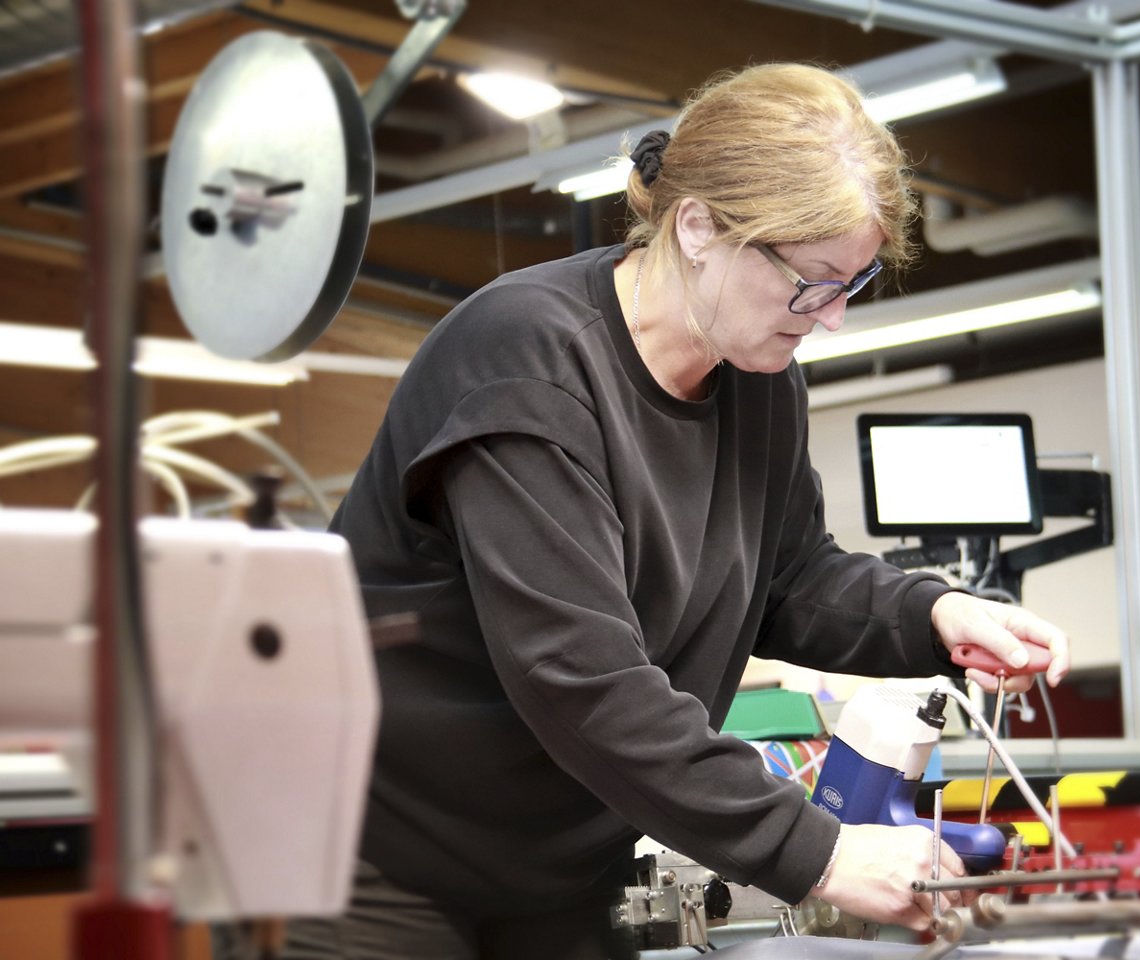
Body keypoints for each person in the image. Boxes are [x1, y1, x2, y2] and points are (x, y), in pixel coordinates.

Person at [234, 62, 1071, 960]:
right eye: (813, 281)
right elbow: (579, 675)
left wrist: (933, 613)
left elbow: (788, 578)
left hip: (559, 867)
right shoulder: (528, 362)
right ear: (699, 226)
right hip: (376, 855)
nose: (829, 320)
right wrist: (817, 856)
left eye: (851, 284)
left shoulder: (759, 382)